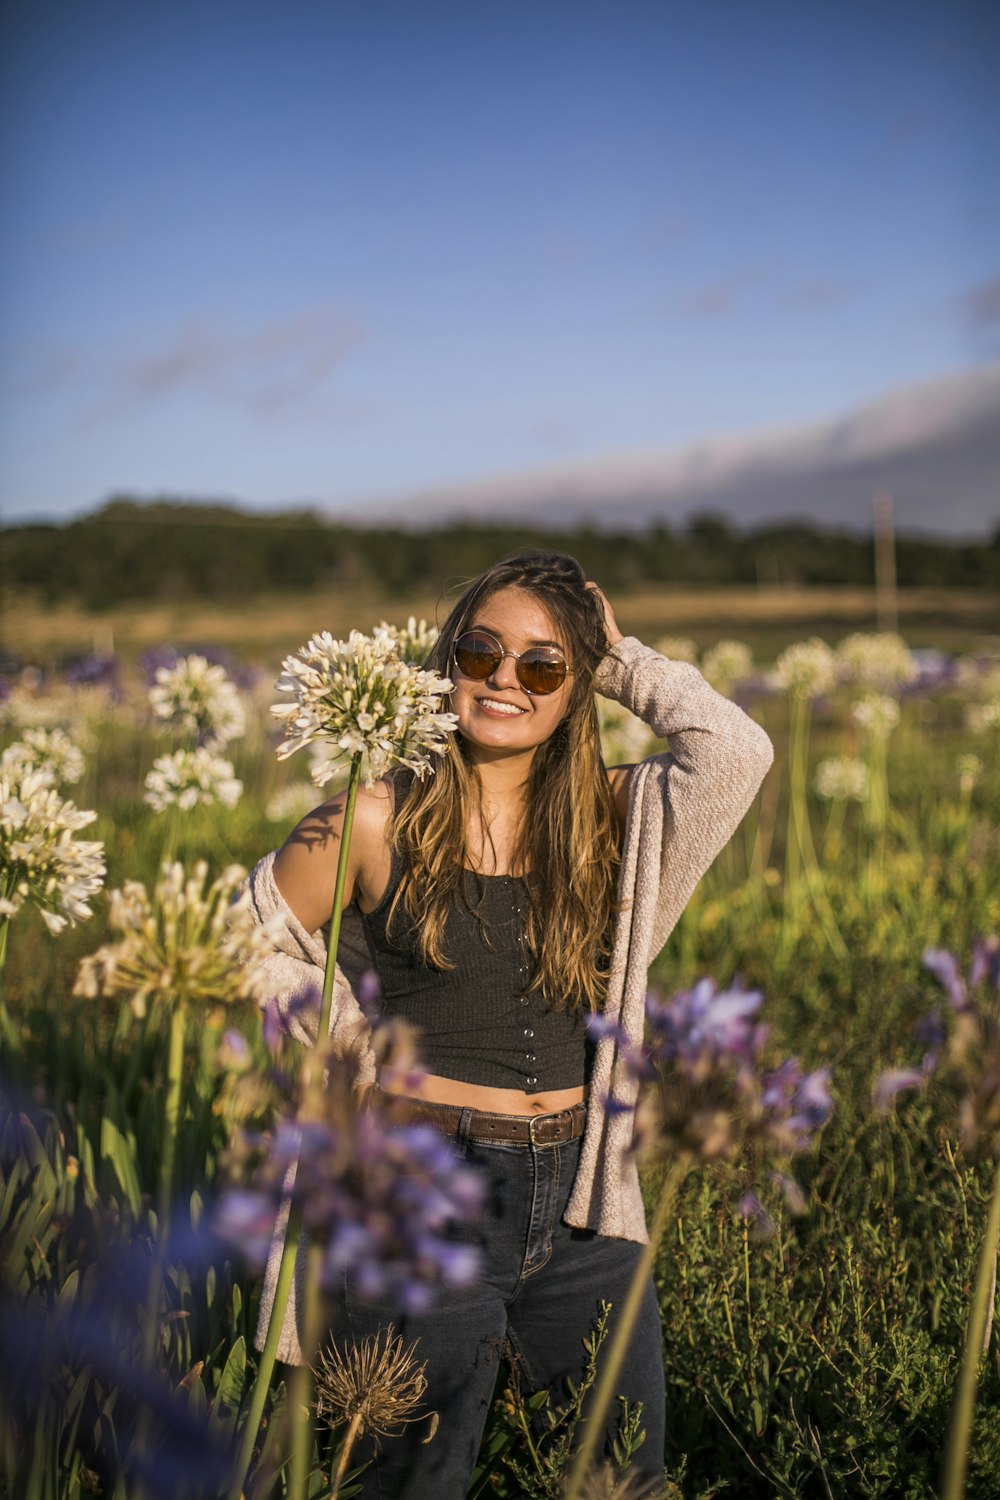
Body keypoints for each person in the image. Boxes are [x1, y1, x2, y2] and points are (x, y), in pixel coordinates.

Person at [246, 551, 774, 1497]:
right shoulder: (373, 817)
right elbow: (237, 944)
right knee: (413, 1477)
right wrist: (349, 1039)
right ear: (447, 664)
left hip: (585, 1198)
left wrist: (618, 657)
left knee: (624, 1474)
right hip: (419, 1188)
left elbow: (736, 753)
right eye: (483, 653)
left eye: (542, 665)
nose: (505, 680)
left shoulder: (615, 817)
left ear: (576, 691)